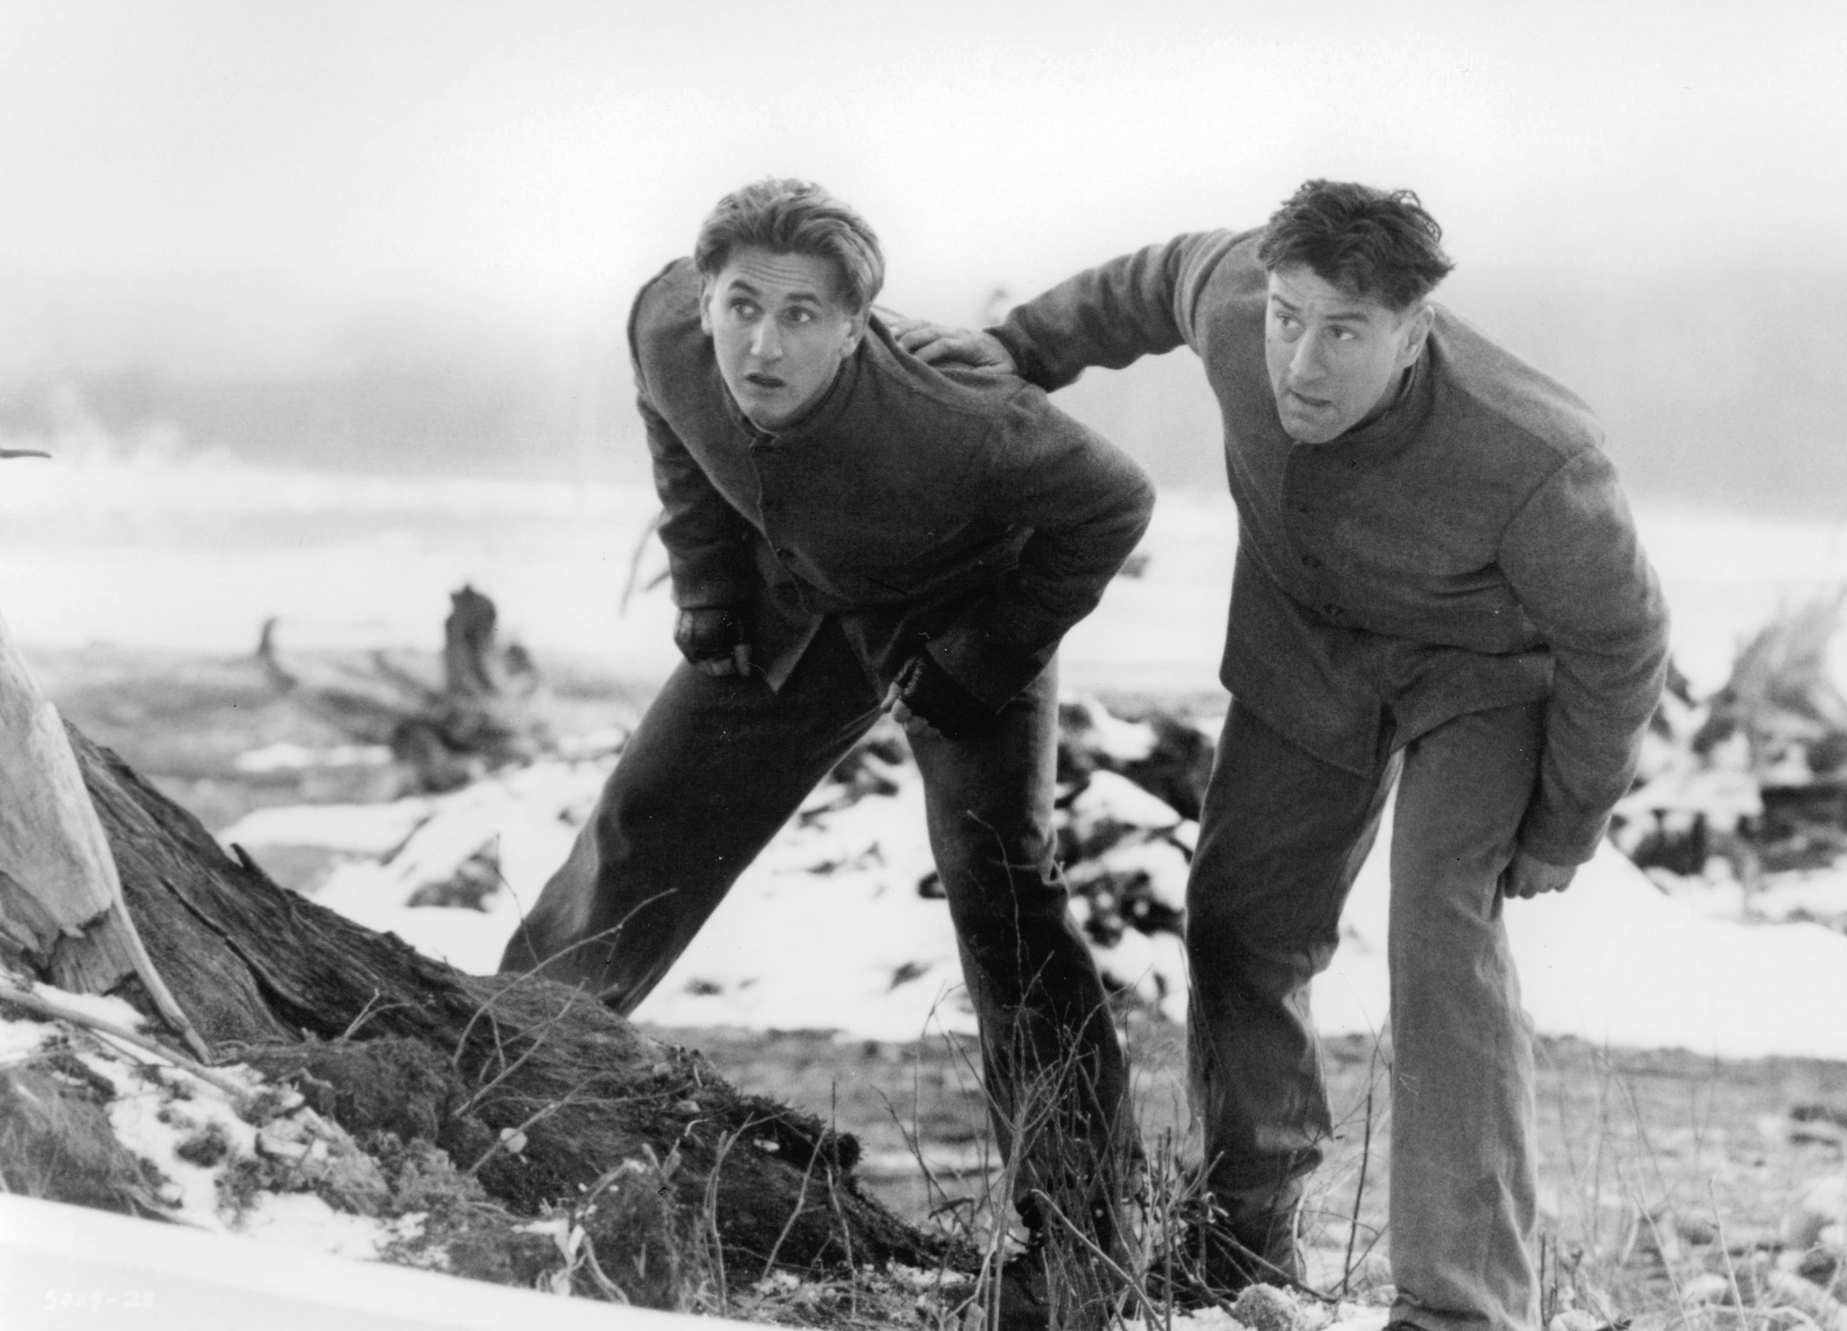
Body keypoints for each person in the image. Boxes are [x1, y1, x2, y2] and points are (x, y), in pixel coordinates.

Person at [897, 179, 1670, 1331]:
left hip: (1478, 678)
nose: (1300, 361)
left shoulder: (1536, 455)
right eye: (1288, 317)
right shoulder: (1232, 293)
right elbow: (1147, 280)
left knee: (1438, 936)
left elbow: (1620, 639)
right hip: (1304, 656)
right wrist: (1015, 350)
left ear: (1414, 333)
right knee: (1239, 923)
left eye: (1344, 332)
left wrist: (1563, 823)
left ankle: (1463, 1304)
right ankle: (1242, 1232)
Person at [498, 178, 1154, 1328]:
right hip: (789, 600)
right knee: (639, 826)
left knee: (999, 886)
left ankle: (1079, 1247)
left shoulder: (966, 424)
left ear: (857, 328)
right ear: (702, 297)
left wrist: (984, 655)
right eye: (742, 304)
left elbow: (1112, 502)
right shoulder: (665, 326)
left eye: (803, 315)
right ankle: (497, 1082)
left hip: (956, 605)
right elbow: (676, 436)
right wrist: (706, 586)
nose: (762, 340)